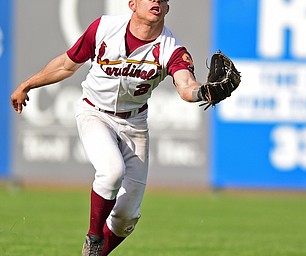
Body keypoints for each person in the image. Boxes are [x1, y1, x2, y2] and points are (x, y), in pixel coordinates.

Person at [10, 0, 205, 255]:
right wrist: (27, 84)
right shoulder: (104, 28)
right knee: (111, 172)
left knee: (126, 218)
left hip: (134, 124)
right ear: (132, 4)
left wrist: (205, 92)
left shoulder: (172, 49)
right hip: (95, 113)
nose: (156, 0)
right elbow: (67, 64)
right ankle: (93, 238)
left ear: (167, 8)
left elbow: (186, 85)